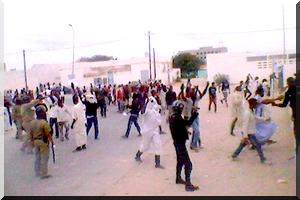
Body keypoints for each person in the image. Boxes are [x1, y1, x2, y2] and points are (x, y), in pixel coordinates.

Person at [231, 98, 276, 164]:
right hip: (249, 133)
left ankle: (234, 155)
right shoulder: (247, 113)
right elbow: (245, 125)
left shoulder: (250, 111)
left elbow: (256, 118)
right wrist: (245, 136)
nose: (256, 106)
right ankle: (263, 159)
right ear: (252, 104)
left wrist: (265, 119)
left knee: (243, 145)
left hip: (250, 132)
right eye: (255, 104)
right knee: (258, 145)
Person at [169, 101, 199, 192]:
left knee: (180, 161)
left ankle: (178, 178)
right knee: (188, 164)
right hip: (180, 144)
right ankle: (188, 184)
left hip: (177, 143)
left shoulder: (173, 117)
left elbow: (182, 126)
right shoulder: (177, 118)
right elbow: (188, 123)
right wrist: (194, 114)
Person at [135, 96, 164, 169]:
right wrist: (146, 103)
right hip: (147, 131)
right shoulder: (147, 110)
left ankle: (157, 163)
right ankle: (137, 155)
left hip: (155, 131)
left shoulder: (156, 111)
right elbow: (142, 112)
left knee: (158, 145)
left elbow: (158, 121)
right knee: (145, 146)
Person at [271, 77, 297, 153]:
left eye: (288, 83)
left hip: (295, 112)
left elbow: (284, 104)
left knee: (296, 129)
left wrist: (275, 105)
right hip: (295, 112)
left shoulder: (288, 92)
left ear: (288, 83)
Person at [31, 107, 53, 179]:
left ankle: (37, 171)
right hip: (43, 141)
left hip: (35, 141)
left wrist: (32, 142)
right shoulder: (44, 123)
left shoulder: (33, 122)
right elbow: (48, 134)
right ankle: (44, 173)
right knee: (44, 157)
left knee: (37, 157)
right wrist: (52, 142)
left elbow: (30, 133)